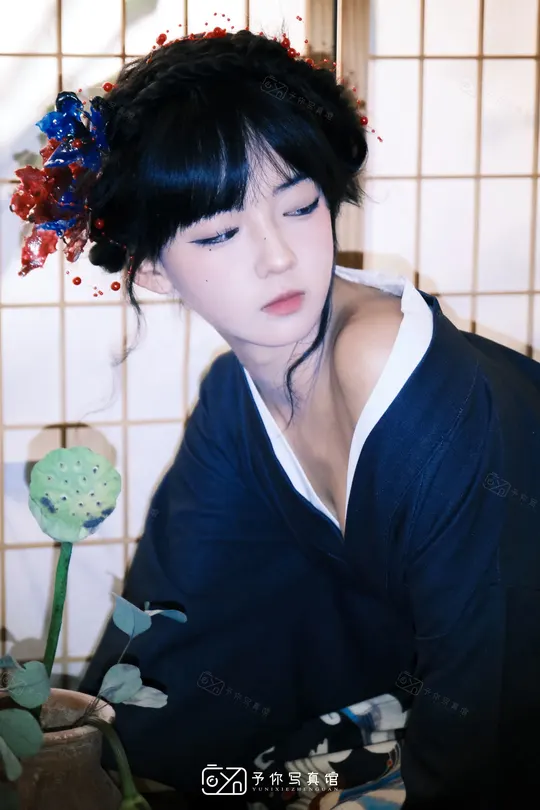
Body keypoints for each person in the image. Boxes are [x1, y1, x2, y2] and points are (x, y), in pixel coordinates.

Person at [12, 25, 540, 810]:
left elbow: (492, 700)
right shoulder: (237, 400)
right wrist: (103, 770)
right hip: (412, 723)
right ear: (152, 267)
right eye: (221, 233)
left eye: (299, 206)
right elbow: (178, 629)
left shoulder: (419, 396)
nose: (277, 257)